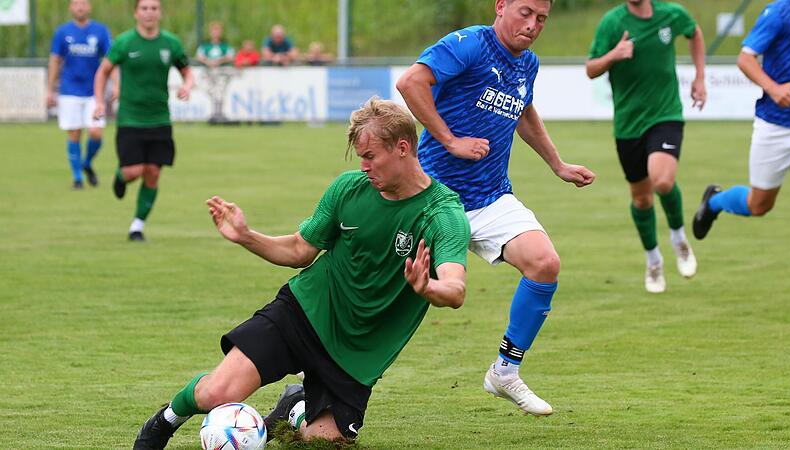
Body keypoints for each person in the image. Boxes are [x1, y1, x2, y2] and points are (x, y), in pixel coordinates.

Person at [131, 98, 470, 449]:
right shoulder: (348, 189)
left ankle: (295, 407)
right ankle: (165, 420)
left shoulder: (442, 214)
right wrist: (247, 236)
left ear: (403, 148)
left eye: (370, 156)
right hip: (304, 311)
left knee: (321, 443)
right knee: (217, 392)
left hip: (357, 356)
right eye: (360, 158)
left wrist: (427, 287)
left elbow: (455, 288)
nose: (364, 166)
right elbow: (299, 250)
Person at [396, 0, 595, 416]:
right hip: (434, 199)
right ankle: (318, 375)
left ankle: (504, 371)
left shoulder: (528, 64)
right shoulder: (470, 44)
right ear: (500, 6)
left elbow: (523, 111)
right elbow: (411, 82)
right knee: (388, 295)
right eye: (525, 12)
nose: (533, 24)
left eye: (541, 18)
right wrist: (450, 140)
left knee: (545, 263)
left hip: (490, 197)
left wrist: (557, 164)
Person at [586, 0, 706, 293]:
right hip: (628, 125)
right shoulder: (612, 23)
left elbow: (695, 34)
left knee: (662, 180)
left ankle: (679, 239)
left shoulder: (672, 14)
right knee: (641, 199)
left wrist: (700, 77)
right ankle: (653, 260)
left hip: (666, 114)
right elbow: (591, 69)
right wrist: (614, 55)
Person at [693, 0, 790, 239]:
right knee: (759, 205)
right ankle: (714, 202)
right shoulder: (779, 12)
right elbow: (745, 59)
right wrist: (774, 89)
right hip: (778, 124)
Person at [93, 0, 194, 242]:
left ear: (160, 13)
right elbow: (103, 71)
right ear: (136, 13)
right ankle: (120, 176)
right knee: (132, 171)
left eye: (154, 8)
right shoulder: (124, 42)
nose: (149, 13)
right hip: (130, 119)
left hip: (160, 120)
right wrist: (99, 102)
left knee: (153, 173)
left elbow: (187, 71)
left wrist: (187, 85)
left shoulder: (171, 43)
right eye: (145, 8)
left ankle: (136, 226)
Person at [46, 0, 112, 189]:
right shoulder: (62, 32)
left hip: (94, 92)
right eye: (76, 3)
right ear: (71, 7)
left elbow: (111, 59)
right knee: (74, 133)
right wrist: (50, 89)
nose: (80, 7)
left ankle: (86, 163)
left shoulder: (100, 31)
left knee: (95, 132)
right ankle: (77, 178)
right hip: (69, 90)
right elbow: (55, 60)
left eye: (83, 3)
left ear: (89, 7)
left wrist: (116, 85)